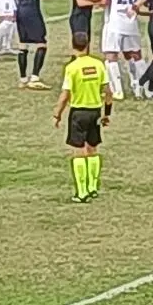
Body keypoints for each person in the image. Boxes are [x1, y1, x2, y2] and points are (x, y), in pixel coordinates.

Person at [52, 31, 111, 203]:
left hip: (78, 113)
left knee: (78, 151)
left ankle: (82, 192)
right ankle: (93, 187)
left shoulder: (72, 68)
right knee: (92, 148)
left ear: (72, 46)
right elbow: (108, 92)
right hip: (95, 111)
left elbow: (65, 95)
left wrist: (57, 114)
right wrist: (107, 113)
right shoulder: (98, 65)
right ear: (88, 45)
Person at [15, 0, 70, 89]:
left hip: (20, 9)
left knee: (23, 44)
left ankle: (23, 79)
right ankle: (34, 78)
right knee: (41, 43)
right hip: (31, 10)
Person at [99, 0, 148, 100]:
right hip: (131, 24)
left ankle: (117, 91)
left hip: (114, 24)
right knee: (135, 55)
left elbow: (105, 1)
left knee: (111, 56)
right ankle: (140, 88)